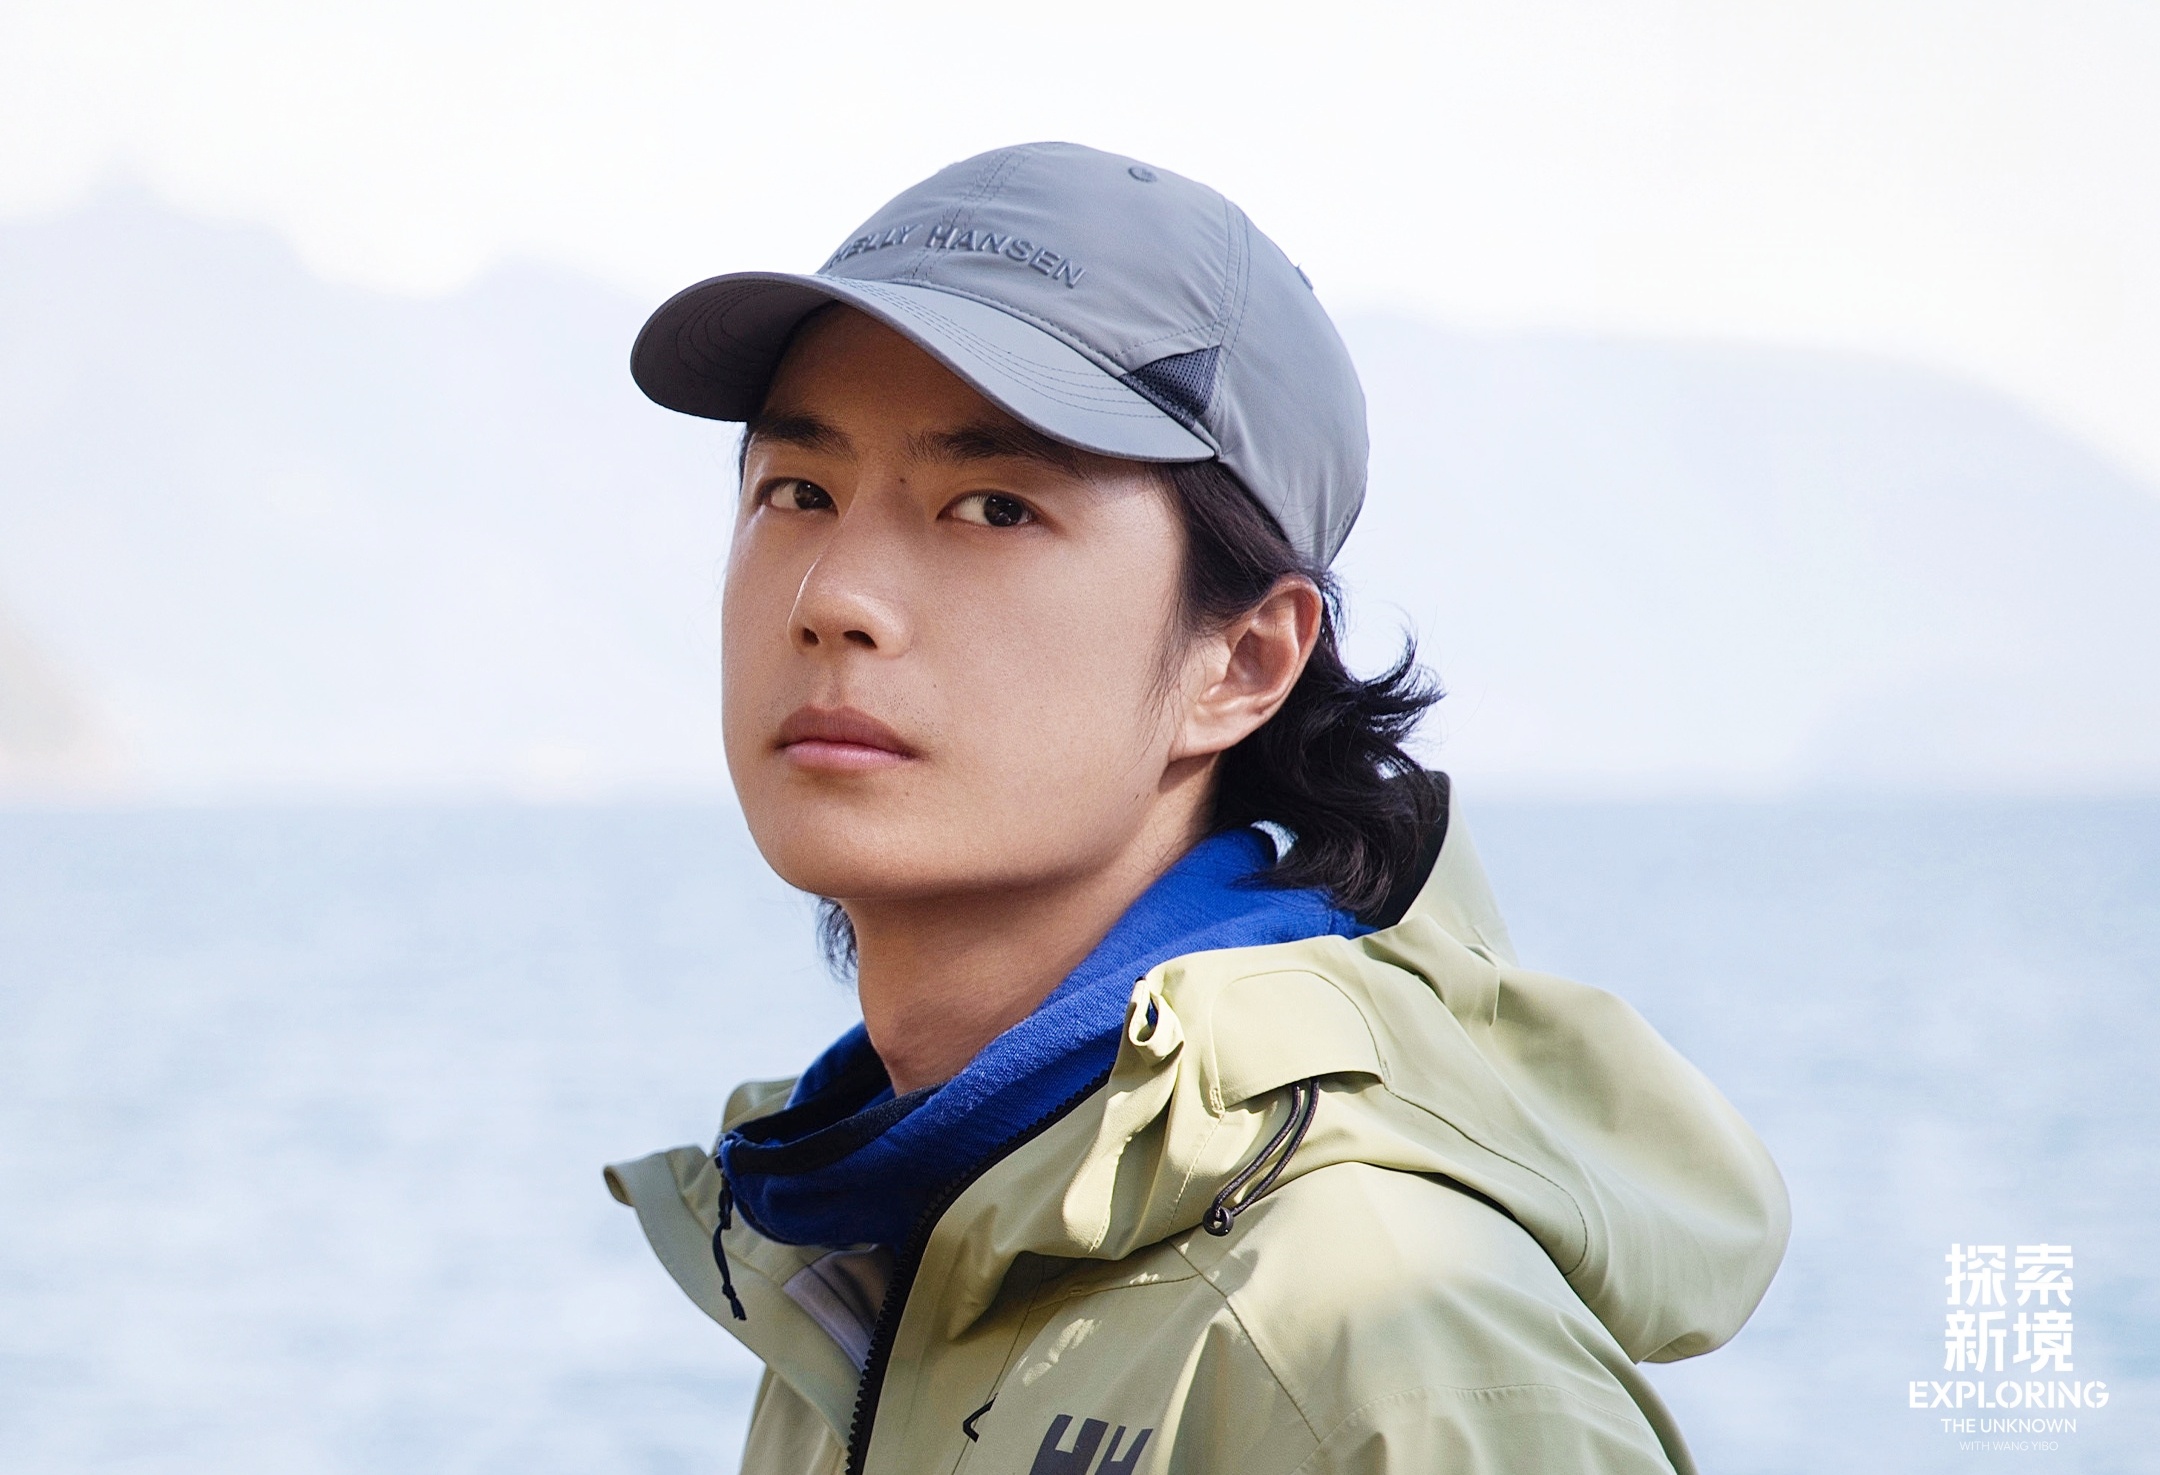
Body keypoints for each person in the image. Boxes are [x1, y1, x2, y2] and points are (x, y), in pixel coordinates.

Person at [605, 142, 1788, 1475]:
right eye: (797, 492)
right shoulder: (859, 1234)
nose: (833, 597)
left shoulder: (1376, 1343)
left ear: (1244, 663)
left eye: (992, 508)